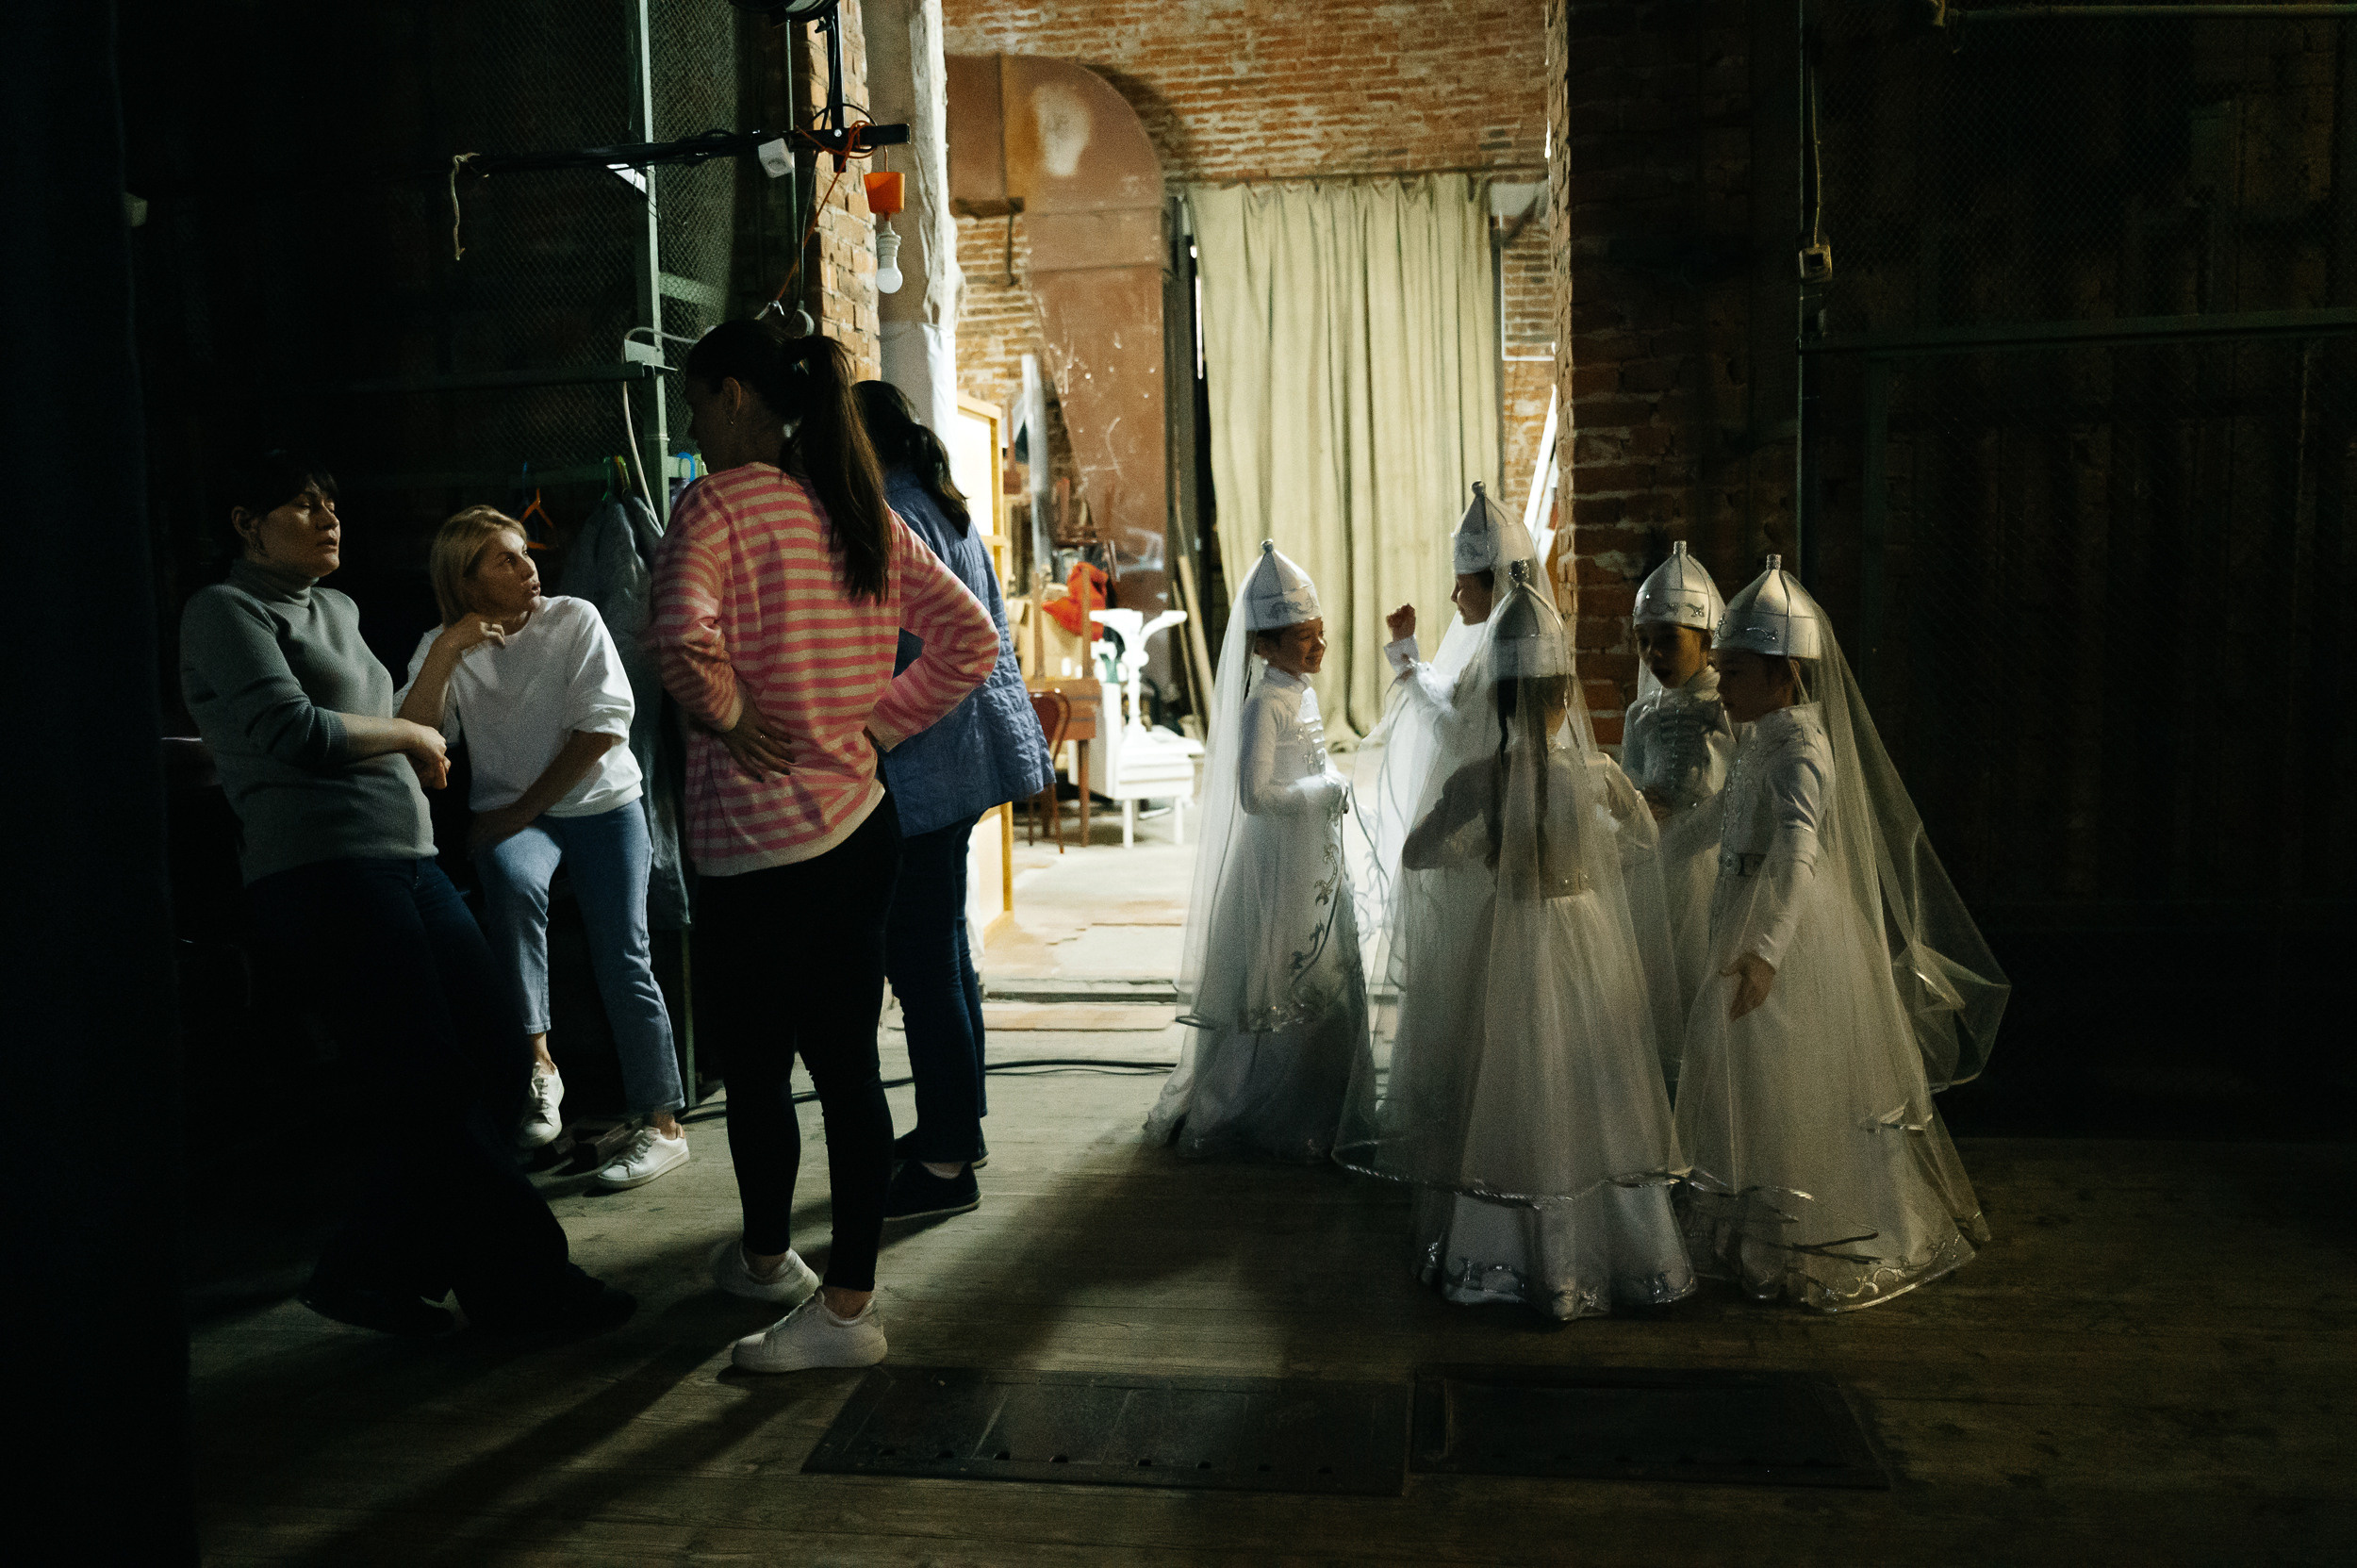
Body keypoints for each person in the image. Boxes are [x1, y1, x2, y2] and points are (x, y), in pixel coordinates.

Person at [180, 449, 631, 1336]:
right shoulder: (224, 612)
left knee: (501, 1062)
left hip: (408, 856)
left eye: (331, 505)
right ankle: (524, 1283)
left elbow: (412, 721)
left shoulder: (338, 609)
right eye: (303, 506)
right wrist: (407, 739)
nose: (327, 519)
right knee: (427, 1077)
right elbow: (297, 733)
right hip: (324, 868)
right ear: (245, 522)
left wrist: (448, 660)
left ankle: (366, 1268)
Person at [648, 323, 998, 1375]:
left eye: (699, 403)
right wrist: (875, 730)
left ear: (740, 397)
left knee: (760, 1069)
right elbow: (971, 641)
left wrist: (726, 712)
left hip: (755, 849)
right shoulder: (855, 512)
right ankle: (780, 1268)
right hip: (855, 831)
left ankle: (840, 1310)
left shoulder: (717, 502)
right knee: (840, 1065)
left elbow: (676, 633)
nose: (694, 424)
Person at [1337, 562, 1691, 1318]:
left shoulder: (1477, 779)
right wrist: (1590, 865)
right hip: (1581, 928)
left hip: (1508, 930)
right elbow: (1646, 839)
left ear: (1497, 696)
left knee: (1507, 1075)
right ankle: (1612, 1250)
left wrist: (1490, 855)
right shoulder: (1594, 775)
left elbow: (1418, 852)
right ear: (1565, 698)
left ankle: (1495, 1252)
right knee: (1591, 1078)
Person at [1674, 556, 2008, 1311]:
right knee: (1747, 1083)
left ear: (1783, 673)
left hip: (1789, 935)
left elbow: (1796, 851)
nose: (1720, 687)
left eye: (1733, 673)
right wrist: (1652, 845)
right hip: (1742, 913)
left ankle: (1807, 1234)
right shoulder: (1760, 736)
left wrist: (1765, 951)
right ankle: (1753, 1227)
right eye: (1720, 670)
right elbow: (1722, 816)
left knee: (1793, 1081)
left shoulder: (1801, 748)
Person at [396, 506, 689, 1189]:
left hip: (601, 805)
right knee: (514, 887)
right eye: (505, 559)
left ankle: (664, 1124)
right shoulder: (447, 641)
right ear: (467, 584)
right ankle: (540, 1067)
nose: (529, 566)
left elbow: (600, 733)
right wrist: (446, 649)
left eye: (524, 552)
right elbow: (413, 741)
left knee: (625, 957)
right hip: (518, 822)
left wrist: (515, 811)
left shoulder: (574, 619)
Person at [850, 381, 1055, 1224]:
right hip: (963, 757)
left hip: (926, 765)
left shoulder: (894, 517)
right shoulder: (943, 504)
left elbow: (904, 651)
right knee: (945, 954)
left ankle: (944, 1163)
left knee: (923, 965)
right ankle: (954, 1131)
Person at [1149, 541, 1370, 1161]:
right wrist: (1320, 790)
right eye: (1304, 637)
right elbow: (1254, 794)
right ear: (1265, 645)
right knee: (1282, 965)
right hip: (1280, 859)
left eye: (1321, 633)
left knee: (1325, 960)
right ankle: (1262, 1101)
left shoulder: (1301, 691)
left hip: (1315, 855)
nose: (1318, 647)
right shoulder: (1264, 705)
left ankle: (1324, 1101)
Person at [1360, 482, 1538, 938]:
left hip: (1487, 809)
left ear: (1492, 583)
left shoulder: (1502, 650)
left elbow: (1459, 735)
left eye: (1461, 586)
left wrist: (1411, 672)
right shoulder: (1498, 640)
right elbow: (1459, 696)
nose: (1453, 598)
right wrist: (1409, 660)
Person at [1620, 540, 1739, 1027]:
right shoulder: (1640, 714)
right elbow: (1628, 780)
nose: (1653, 654)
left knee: (1700, 978)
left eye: (1667, 639)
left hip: (1707, 864)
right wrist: (1635, 801)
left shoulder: (1726, 708)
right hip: (1651, 859)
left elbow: (1744, 785)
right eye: (1643, 641)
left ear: (1708, 639)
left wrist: (1692, 810)